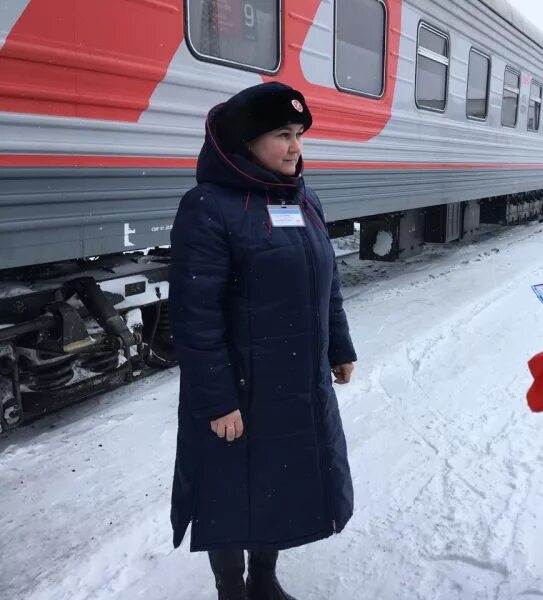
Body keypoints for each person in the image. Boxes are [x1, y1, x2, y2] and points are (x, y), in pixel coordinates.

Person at [168, 82, 357, 600]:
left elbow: (326, 283)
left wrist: (339, 347)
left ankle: (264, 582)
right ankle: (231, 589)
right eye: (281, 134)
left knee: (277, 484)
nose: (296, 147)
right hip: (237, 390)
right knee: (228, 494)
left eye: (299, 134)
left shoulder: (304, 198)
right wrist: (218, 400)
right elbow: (194, 315)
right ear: (246, 142)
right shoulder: (208, 207)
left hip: (294, 382)